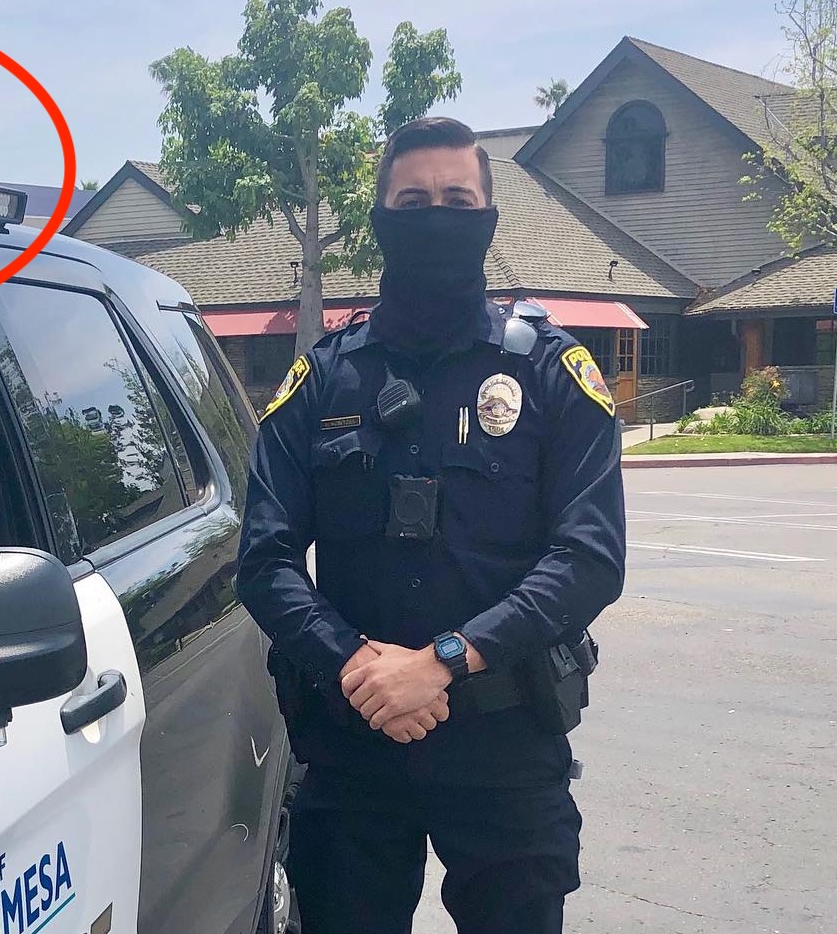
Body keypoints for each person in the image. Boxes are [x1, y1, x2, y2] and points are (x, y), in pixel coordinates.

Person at [236, 116, 626, 934]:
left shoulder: (551, 372)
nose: (436, 214)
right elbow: (264, 558)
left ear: (486, 216)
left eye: (456, 198)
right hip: (352, 742)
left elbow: (589, 557)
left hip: (505, 742)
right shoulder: (323, 377)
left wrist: (447, 659)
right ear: (380, 219)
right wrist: (355, 663)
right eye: (412, 200)